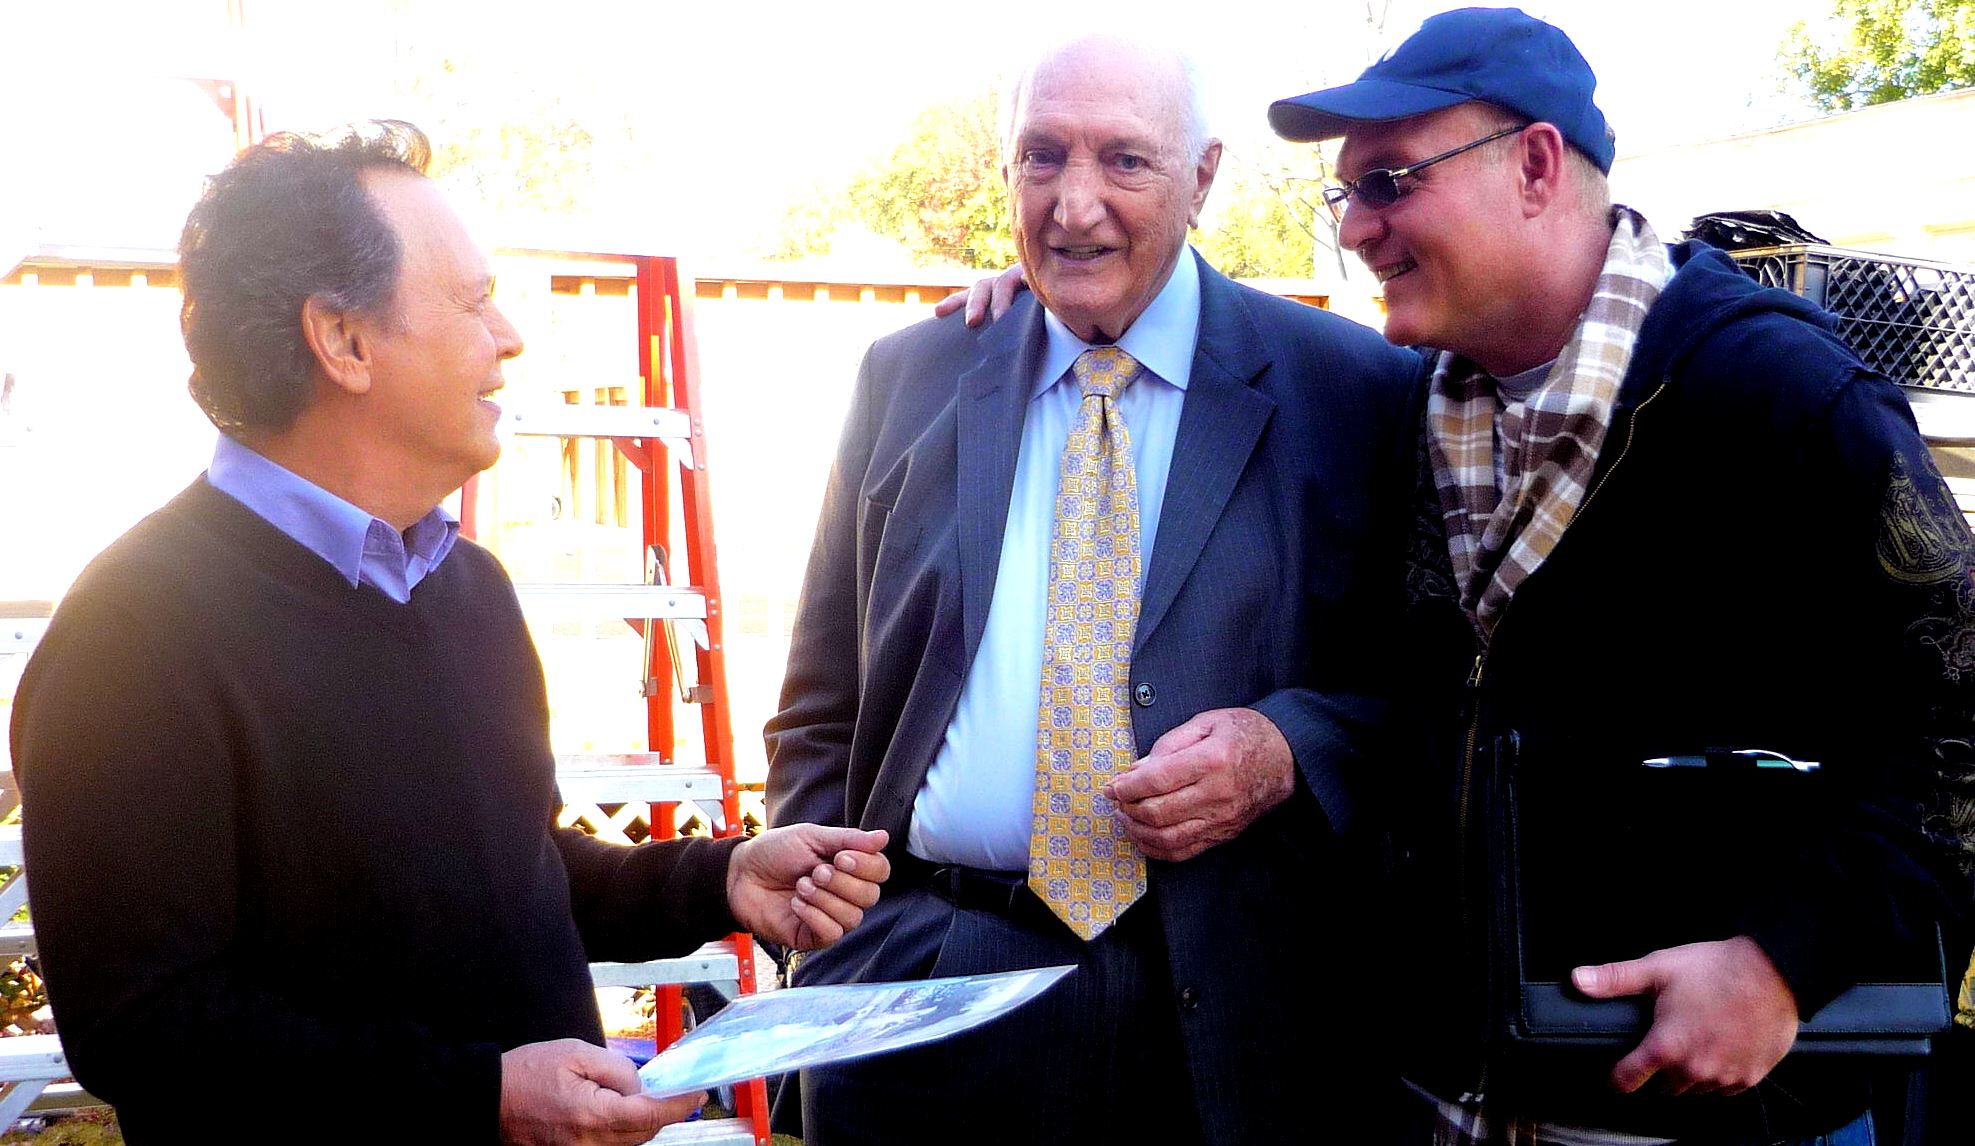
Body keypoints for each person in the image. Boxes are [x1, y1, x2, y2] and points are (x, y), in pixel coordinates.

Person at [9, 121, 892, 1146]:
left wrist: (720, 879)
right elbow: (146, 1031)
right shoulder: (133, 634)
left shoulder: (469, 588)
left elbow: (511, 874)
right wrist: (483, 1096)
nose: (509, 336)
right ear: (341, 341)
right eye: (473, 302)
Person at [1262, 8, 1974, 1142]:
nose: (1355, 228)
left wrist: (1785, 959)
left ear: (1536, 165)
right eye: (1345, 193)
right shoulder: (1416, 411)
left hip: (1716, 1116)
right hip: (1438, 1101)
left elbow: (1957, 720)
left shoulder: (1782, 397)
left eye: (1389, 181)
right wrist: (1028, 326)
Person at [765, 33, 1426, 1146]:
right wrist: (833, 944)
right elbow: (822, 700)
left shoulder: (1351, 390)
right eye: (1041, 157)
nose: (1074, 207)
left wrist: (1286, 752)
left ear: (1203, 177)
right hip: (925, 985)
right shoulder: (914, 375)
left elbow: (1424, 698)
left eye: (1124, 160)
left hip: (1233, 1005)